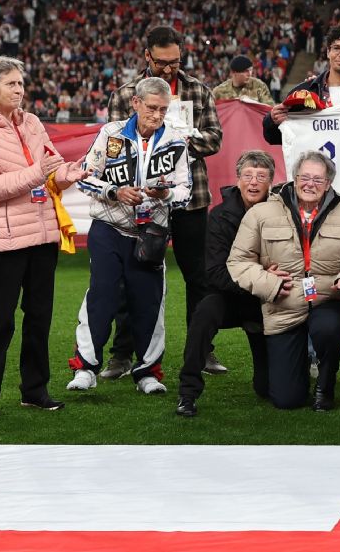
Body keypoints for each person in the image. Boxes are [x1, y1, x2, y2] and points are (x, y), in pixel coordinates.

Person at [0, 56, 88, 417]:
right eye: (11, 84)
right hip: (4, 240)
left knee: (39, 319)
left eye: (21, 82)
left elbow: (52, 170)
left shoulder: (32, 122)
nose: (20, 89)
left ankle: (34, 390)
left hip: (42, 235)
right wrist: (37, 173)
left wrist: (69, 174)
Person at [104, 25, 223, 378]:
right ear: (147, 57)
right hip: (139, 200)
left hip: (190, 197)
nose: (169, 69)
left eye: (175, 62)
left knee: (198, 278)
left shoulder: (198, 90)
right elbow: (114, 144)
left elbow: (214, 139)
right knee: (132, 276)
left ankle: (202, 351)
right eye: (162, 62)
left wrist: (176, 142)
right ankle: (122, 354)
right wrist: (153, 141)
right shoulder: (126, 93)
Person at [68, 77, 193, 396]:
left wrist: (163, 195)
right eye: (151, 107)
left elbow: (185, 189)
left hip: (150, 233)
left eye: (163, 109)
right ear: (135, 103)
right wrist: (114, 191)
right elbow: (85, 179)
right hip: (108, 229)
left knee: (149, 300)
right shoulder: (110, 133)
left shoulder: (176, 139)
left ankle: (148, 372)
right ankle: (85, 368)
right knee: (101, 295)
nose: (157, 115)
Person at [227, 151, 340, 411]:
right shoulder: (261, 213)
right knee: (287, 400)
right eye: (305, 177)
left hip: (326, 299)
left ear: (328, 184)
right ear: (294, 178)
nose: (310, 184)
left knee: (329, 328)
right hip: (283, 306)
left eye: (318, 179)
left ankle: (325, 385)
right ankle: (298, 371)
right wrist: (269, 282)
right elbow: (238, 261)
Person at [175, 151, 276, 418]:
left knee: (270, 390)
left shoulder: (281, 214)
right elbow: (215, 272)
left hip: (265, 301)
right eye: (248, 176)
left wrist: (265, 285)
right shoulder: (220, 216)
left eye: (261, 177)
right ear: (238, 179)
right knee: (204, 314)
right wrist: (259, 280)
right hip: (231, 295)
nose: (253, 182)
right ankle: (187, 392)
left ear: (270, 183)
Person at [263, 24, 340, 145]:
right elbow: (276, 138)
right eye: (336, 48)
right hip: (314, 162)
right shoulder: (302, 92)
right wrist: (272, 120)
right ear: (328, 52)